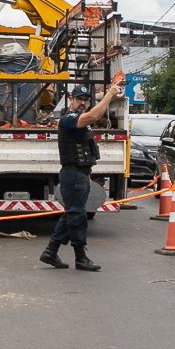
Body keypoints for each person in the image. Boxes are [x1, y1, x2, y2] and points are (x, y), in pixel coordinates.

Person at [41, 81, 116, 272]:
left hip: (80, 173)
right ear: (71, 101)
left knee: (72, 214)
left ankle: (50, 252)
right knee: (77, 216)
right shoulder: (69, 119)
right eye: (79, 99)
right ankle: (81, 258)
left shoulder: (81, 120)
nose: (82, 103)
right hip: (73, 174)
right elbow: (95, 115)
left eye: (85, 100)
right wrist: (109, 95)